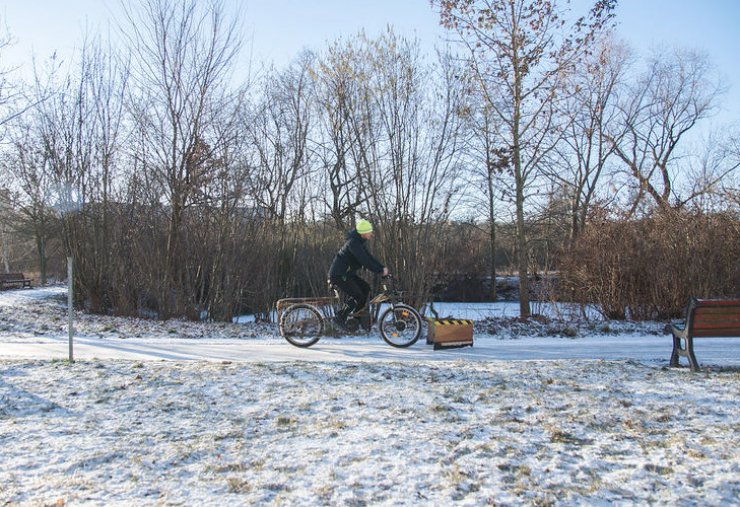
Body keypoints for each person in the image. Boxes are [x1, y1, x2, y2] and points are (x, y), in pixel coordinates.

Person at [328, 219, 390, 329]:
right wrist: (379, 271)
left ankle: (356, 318)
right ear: (363, 233)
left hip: (347, 274)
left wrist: (382, 267)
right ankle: (340, 316)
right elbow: (364, 260)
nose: (371, 234)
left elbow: (369, 257)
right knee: (357, 295)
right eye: (370, 232)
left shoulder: (358, 243)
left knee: (365, 288)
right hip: (339, 275)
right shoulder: (353, 244)